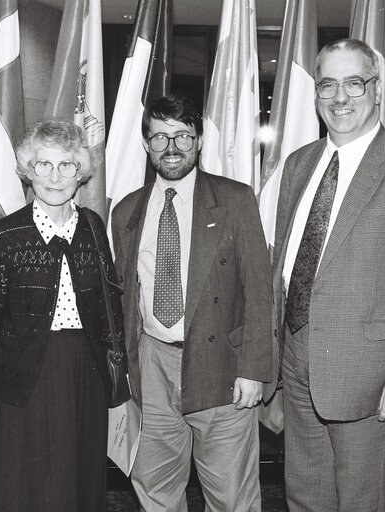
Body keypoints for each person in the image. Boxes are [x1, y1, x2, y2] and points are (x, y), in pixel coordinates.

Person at [272, 39, 385, 511]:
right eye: (328, 85)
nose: (340, 98)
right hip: (295, 359)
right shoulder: (298, 164)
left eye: (354, 83)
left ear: (376, 89)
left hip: (367, 374)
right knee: (304, 492)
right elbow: (287, 264)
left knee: (359, 500)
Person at [110, 93, 274, 512]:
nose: (171, 148)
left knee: (232, 495)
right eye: (160, 137)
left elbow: (259, 289)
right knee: (155, 487)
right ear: (146, 145)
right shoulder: (127, 210)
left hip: (221, 368)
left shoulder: (235, 199)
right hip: (151, 367)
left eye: (182, 136)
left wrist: (253, 369)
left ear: (199, 141)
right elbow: (125, 299)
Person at [0, 118, 126, 512]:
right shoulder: (4, 236)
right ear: (28, 171)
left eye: (67, 165)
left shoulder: (93, 227)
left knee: (81, 478)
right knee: (27, 486)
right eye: (44, 165)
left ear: (82, 173)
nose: (55, 177)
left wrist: (118, 388)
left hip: (87, 373)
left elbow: (112, 311)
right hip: (23, 378)